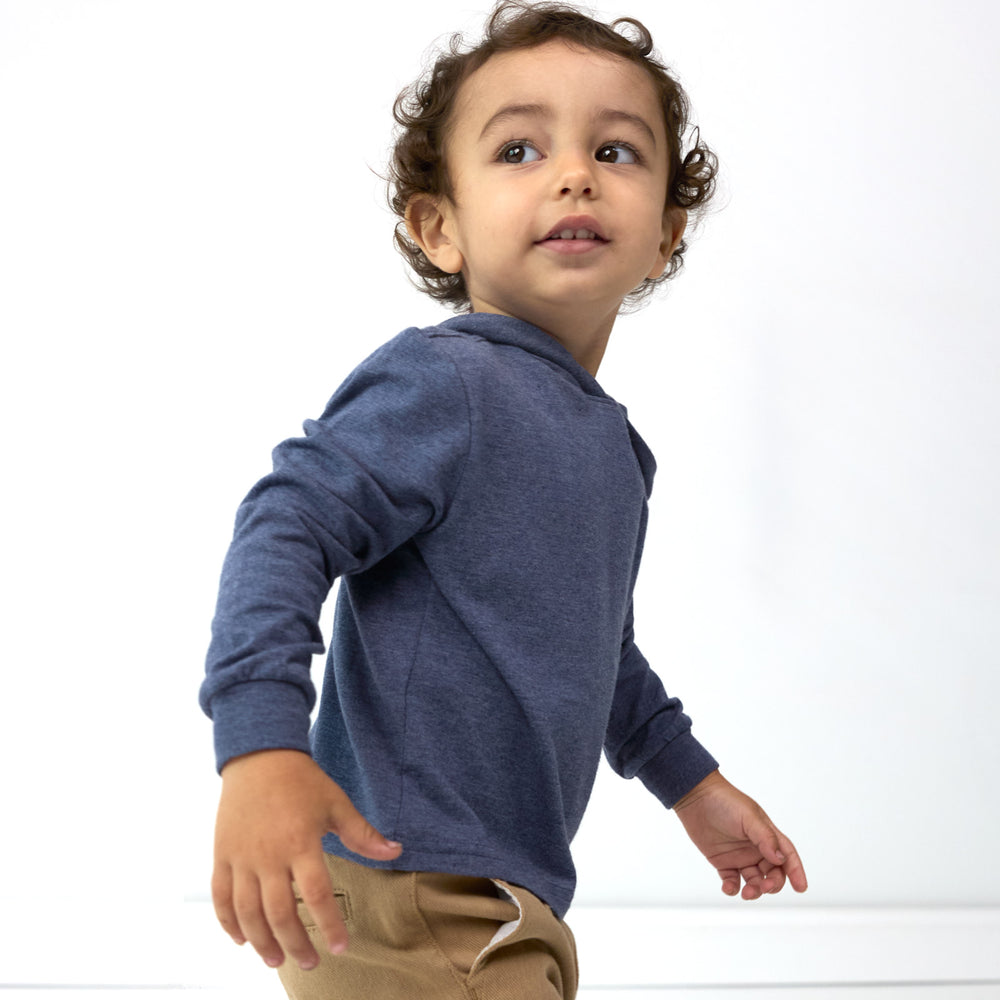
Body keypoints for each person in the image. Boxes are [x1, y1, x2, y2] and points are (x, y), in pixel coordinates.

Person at [199, 3, 808, 997]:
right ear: (439, 227)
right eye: (519, 148)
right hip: (413, 884)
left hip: (489, 893)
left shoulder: (609, 449)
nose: (573, 172)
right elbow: (288, 521)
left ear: (664, 233)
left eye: (615, 149)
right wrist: (260, 744)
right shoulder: (447, 384)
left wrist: (689, 784)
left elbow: (593, 648)